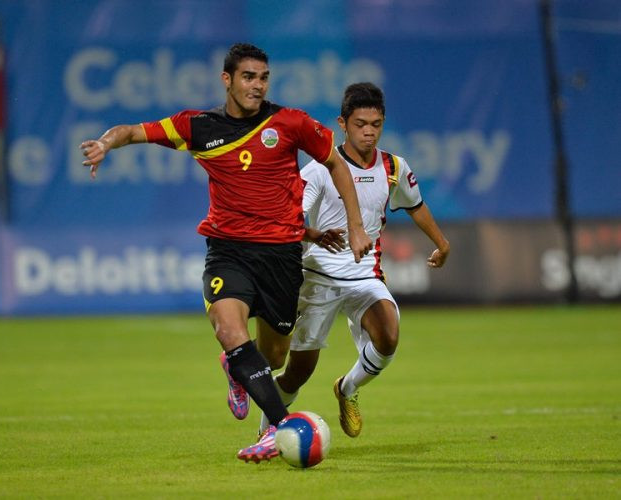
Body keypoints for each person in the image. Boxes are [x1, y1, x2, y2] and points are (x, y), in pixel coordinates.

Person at [79, 43, 373, 457]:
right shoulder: (197, 126)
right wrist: (105, 144)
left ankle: (238, 370)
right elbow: (132, 131)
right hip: (229, 251)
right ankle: (279, 426)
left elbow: (336, 164)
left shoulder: (290, 122)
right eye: (249, 77)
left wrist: (356, 226)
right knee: (229, 330)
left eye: (263, 77)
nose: (257, 85)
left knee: (272, 356)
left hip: (282, 257)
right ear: (227, 80)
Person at [241, 82, 450, 462]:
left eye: (376, 124)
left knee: (388, 336)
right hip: (317, 278)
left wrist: (442, 242)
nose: (368, 131)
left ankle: (347, 388)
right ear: (342, 124)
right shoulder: (321, 168)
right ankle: (268, 430)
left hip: (364, 275)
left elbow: (415, 204)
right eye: (360, 124)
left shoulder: (393, 167)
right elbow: (293, 214)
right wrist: (315, 237)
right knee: (298, 373)